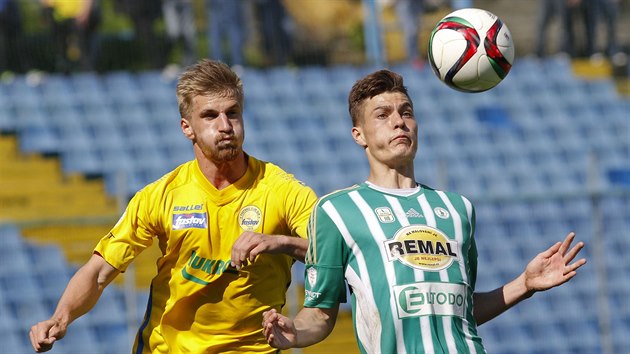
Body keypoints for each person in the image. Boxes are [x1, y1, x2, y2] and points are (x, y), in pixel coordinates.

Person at [262, 69, 587, 353]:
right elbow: (319, 313)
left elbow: (462, 309)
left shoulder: (457, 209)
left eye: (406, 111)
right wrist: (294, 332)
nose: (398, 121)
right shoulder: (336, 211)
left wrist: (524, 284)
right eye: (382, 114)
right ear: (358, 135)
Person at [29, 59, 318, 353]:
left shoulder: (282, 190)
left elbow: (333, 249)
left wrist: (277, 242)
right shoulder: (162, 195)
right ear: (187, 128)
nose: (225, 126)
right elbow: (99, 271)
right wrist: (60, 318)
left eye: (233, 113)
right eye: (209, 116)